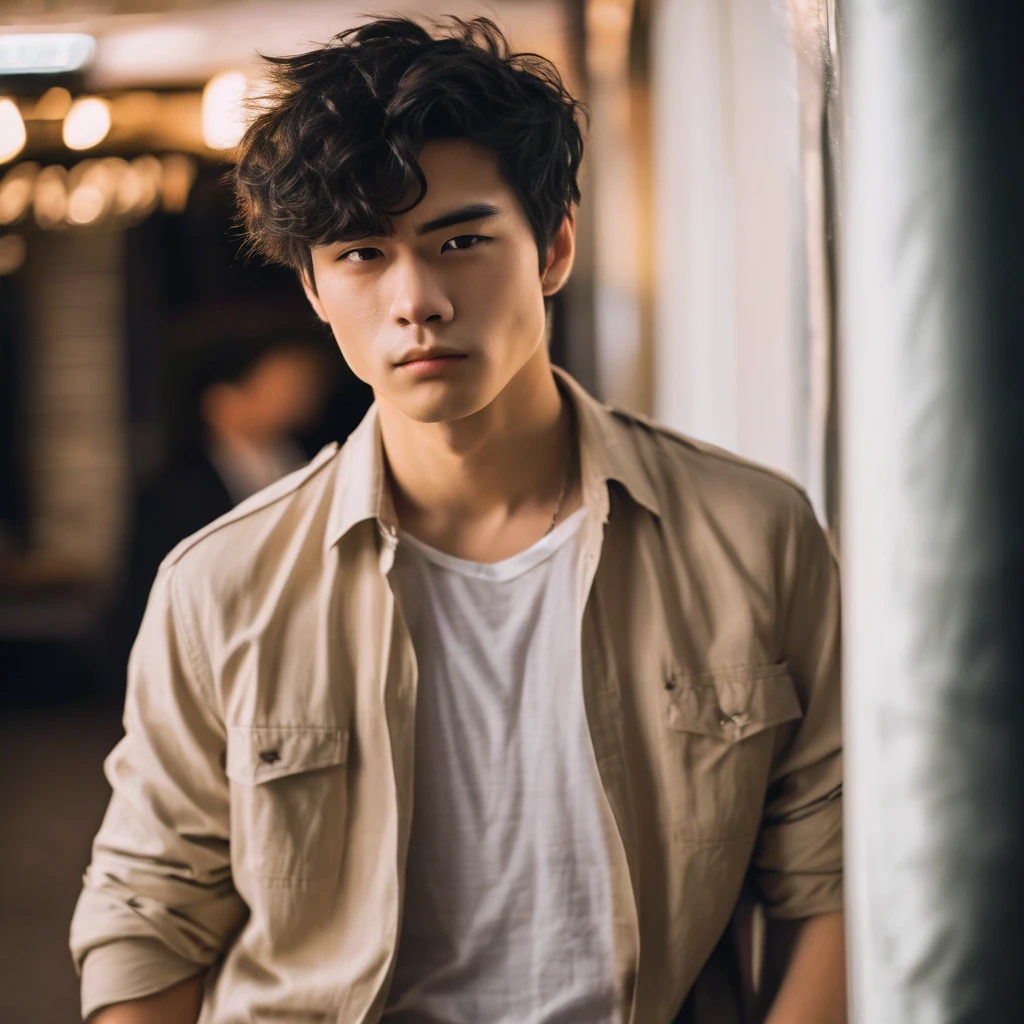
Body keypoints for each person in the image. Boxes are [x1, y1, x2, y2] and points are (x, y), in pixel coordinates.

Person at [71, 16, 845, 1024]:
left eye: (462, 241)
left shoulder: (753, 533)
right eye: (360, 253)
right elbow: (146, 915)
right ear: (312, 287)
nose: (417, 299)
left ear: (554, 245)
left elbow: (830, 879)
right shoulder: (221, 581)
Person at [102, 335, 327, 695]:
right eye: (284, 383)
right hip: (212, 659)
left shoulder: (318, 461)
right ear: (223, 401)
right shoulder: (174, 486)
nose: (301, 393)